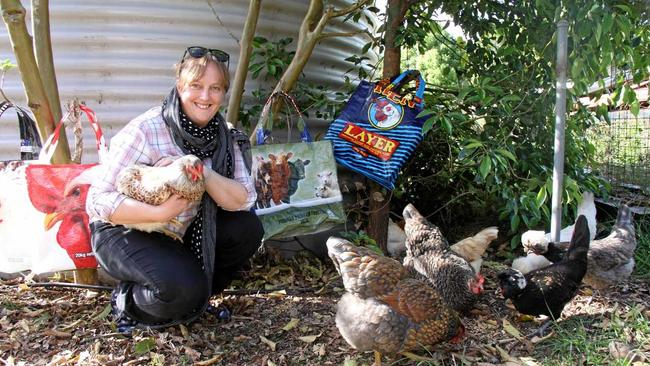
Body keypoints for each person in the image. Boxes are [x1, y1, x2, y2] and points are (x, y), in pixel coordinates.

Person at [86, 46, 263, 333]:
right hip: (123, 227)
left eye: (215, 88)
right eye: (196, 86)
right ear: (180, 86)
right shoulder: (146, 129)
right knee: (180, 290)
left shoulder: (225, 137)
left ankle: (194, 294)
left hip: (177, 230)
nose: (205, 97)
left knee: (246, 228)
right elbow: (97, 201)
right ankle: (129, 300)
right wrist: (159, 210)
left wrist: (203, 172)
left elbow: (243, 200)